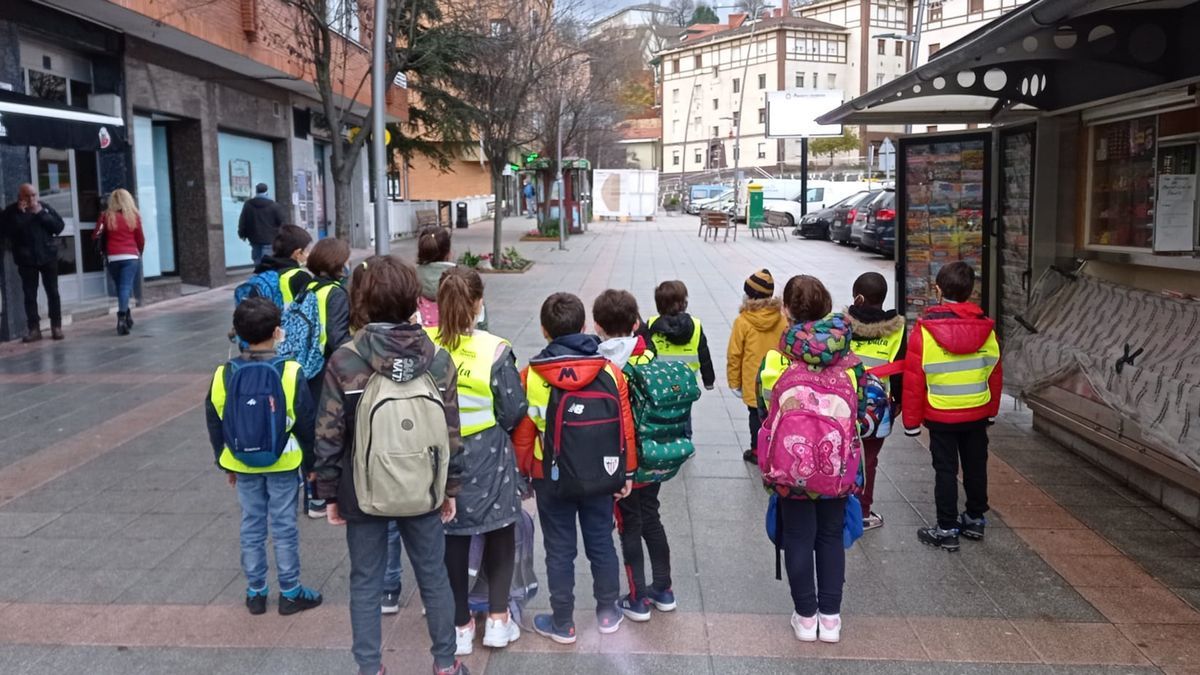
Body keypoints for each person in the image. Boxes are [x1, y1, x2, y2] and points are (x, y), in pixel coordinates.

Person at [313, 254, 469, 675]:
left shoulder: (346, 360)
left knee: (365, 579)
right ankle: (444, 665)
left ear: (361, 300)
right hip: (424, 487)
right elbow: (451, 429)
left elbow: (328, 433)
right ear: (413, 298)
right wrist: (450, 487)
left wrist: (327, 493)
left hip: (363, 490)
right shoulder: (437, 358)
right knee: (433, 575)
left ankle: (370, 668)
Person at [512, 292, 635, 644]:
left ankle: (563, 621)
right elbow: (624, 427)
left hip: (551, 477)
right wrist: (626, 472)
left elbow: (524, 434)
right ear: (583, 326)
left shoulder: (532, 375)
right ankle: (609, 613)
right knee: (601, 541)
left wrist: (525, 474)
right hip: (600, 473)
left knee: (560, 548)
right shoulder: (610, 371)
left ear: (544, 331)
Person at [756, 275, 866, 644]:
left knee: (799, 538)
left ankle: (805, 617)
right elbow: (861, 414)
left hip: (791, 469)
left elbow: (763, 411)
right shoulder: (851, 362)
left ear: (786, 310)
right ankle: (830, 619)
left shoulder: (776, 359)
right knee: (831, 537)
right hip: (836, 471)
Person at [203, 297, 323, 616]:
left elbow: (216, 421)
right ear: (277, 332)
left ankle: (256, 592)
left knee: (251, 523)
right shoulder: (290, 371)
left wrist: (223, 461)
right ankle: (290, 592)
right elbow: (306, 423)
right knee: (284, 525)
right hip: (283, 460)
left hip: (241, 461)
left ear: (238, 333)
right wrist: (312, 466)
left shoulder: (223, 374)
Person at [430, 267, 527, 655]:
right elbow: (513, 407)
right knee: (500, 527)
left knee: (453, 534)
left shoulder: (426, 345)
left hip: (439, 453)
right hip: (487, 451)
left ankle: (460, 625)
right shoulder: (495, 349)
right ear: (478, 303)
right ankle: (499, 622)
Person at [903, 262, 1002, 552]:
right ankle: (974, 518)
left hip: (940, 412)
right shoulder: (987, 329)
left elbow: (913, 380)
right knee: (975, 465)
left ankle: (946, 528)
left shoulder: (926, 331)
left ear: (938, 290)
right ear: (971, 292)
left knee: (945, 470)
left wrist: (911, 423)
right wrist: (992, 410)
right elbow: (995, 373)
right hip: (977, 410)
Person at [592, 289, 678, 623]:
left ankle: (638, 597)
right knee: (651, 517)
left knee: (629, 523)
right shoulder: (647, 356)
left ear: (597, 326)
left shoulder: (602, 365)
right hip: (654, 454)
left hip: (624, 460)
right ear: (637, 323)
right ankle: (664, 589)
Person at [847, 272, 906, 531]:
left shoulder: (842, 324)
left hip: (844, 404)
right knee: (868, 460)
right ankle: (862, 511)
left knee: (842, 454)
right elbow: (902, 369)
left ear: (858, 297)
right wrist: (899, 403)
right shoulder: (898, 329)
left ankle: (838, 506)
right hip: (878, 409)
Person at [299, 237, 352, 520]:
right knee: (326, 431)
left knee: (310, 430)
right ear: (337, 263)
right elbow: (337, 337)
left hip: (305, 366)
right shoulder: (336, 293)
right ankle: (320, 497)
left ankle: (311, 495)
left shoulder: (307, 287)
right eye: (346, 259)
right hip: (324, 369)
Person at [727, 269, 787, 464]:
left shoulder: (743, 321)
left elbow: (735, 354)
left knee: (755, 416)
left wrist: (734, 382)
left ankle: (756, 450)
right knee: (777, 415)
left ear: (750, 296)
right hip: (779, 378)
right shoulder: (783, 318)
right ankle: (776, 449)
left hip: (754, 381)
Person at [1, 183, 66, 342]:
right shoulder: (11, 211)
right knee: (30, 295)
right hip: (26, 259)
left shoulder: (44, 207)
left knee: (53, 292)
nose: (31, 199)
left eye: (34, 195)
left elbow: (59, 227)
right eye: (27, 196)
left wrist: (40, 213)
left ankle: (56, 326)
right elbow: (5, 232)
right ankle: (34, 329)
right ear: (20, 196)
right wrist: (20, 214)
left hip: (48, 257)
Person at [644, 280, 716, 391]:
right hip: (687, 382)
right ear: (683, 303)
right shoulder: (695, 325)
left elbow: (646, 354)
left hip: (660, 382)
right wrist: (708, 381)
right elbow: (704, 355)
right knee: (684, 406)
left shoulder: (652, 325)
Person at [94, 189, 145, 336]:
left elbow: (96, 234)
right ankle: (122, 318)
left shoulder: (105, 217)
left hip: (113, 257)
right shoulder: (133, 217)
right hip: (130, 256)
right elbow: (140, 238)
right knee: (125, 286)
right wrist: (139, 252)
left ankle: (127, 315)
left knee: (121, 286)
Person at [257, 225, 314, 306]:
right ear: (298, 253)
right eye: (307, 250)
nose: (308, 255)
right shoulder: (299, 276)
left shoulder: (263, 269)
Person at [239, 183, 289, 266]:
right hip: (270, 238)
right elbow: (282, 222)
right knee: (267, 260)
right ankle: (265, 276)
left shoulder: (248, 205)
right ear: (266, 191)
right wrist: (281, 236)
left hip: (254, 238)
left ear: (256, 191)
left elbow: (243, 220)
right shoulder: (274, 206)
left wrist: (242, 233)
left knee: (257, 259)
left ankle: (259, 275)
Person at [416, 226, 454, 326]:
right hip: (456, 336)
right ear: (448, 254)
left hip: (420, 337)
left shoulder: (409, 279)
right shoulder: (461, 278)